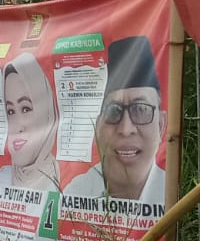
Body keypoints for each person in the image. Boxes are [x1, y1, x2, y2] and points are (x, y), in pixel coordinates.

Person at [63, 36, 166, 205]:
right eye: (113, 111)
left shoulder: (177, 198)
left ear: (161, 125)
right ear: (97, 128)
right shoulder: (74, 194)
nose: (126, 129)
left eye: (141, 110)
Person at [0, 52, 60, 190]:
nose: (18, 126)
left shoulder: (64, 183)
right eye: (10, 111)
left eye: (26, 109)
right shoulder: (1, 180)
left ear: (45, 113)